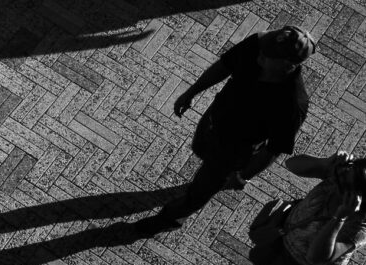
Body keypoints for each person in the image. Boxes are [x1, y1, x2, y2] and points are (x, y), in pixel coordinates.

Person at [135, 26, 315, 235]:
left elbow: (274, 149)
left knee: (201, 190)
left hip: (234, 151)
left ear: (287, 65)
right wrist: (192, 91)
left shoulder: (292, 104)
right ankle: (204, 182)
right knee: (200, 150)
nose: (260, 56)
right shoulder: (259, 44)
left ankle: (171, 219)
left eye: (268, 56)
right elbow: (224, 66)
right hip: (213, 121)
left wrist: (243, 175)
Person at [219, 150, 366, 265]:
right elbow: (292, 164)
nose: (338, 178)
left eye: (344, 182)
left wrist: (339, 218)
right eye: (346, 171)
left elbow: (316, 256)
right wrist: (326, 163)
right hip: (285, 233)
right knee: (261, 259)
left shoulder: (359, 227)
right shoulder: (341, 176)